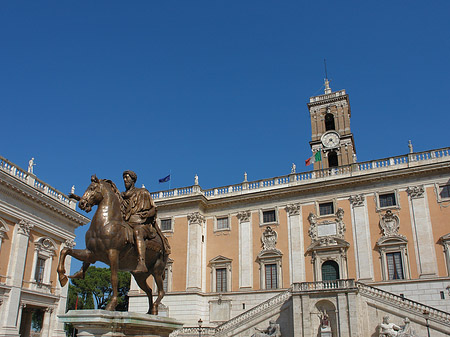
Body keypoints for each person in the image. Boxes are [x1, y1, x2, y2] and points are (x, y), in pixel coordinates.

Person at [121, 170, 170, 273]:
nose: (125, 180)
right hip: (128, 223)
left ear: (133, 179)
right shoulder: (123, 196)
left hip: (142, 224)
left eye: (127, 177)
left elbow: (153, 209)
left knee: (137, 232)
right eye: (124, 177)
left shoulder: (143, 192)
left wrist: (147, 214)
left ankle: (141, 262)